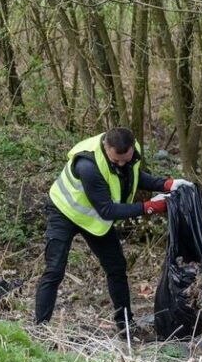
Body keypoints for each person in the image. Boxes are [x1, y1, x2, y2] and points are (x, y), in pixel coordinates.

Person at [33, 128, 191, 337]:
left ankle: (126, 325)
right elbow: (107, 210)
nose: (123, 164)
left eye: (127, 160)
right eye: (118, 161)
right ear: (107, 148)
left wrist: (166, 184)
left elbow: (132, 176)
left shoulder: (128, 151)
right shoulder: (88, 166)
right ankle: (40, 330)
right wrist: (149, 207)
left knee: (116, 267)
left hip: (92, 219)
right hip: (64, 213)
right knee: (54, 270)